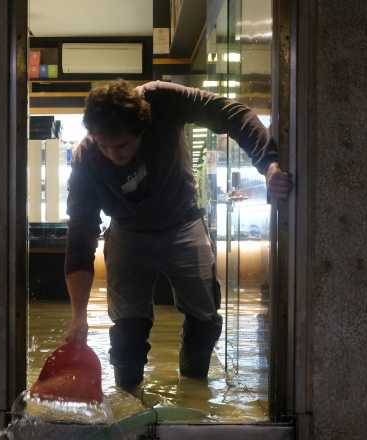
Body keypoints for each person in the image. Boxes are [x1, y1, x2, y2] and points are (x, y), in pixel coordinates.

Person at [63, 80, 292, 393]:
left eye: (122, 146)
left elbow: (232, 114)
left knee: (206, 317)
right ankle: (129, 396)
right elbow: (80, 237)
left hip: (182, 222)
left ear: (142, 129)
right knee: (127, 329)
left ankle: (194, 392)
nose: (112, 154)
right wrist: (79, 317)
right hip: (128, 232)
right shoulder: (86, 161)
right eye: (104, 146)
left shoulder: (163, 101)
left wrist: (268, 166)